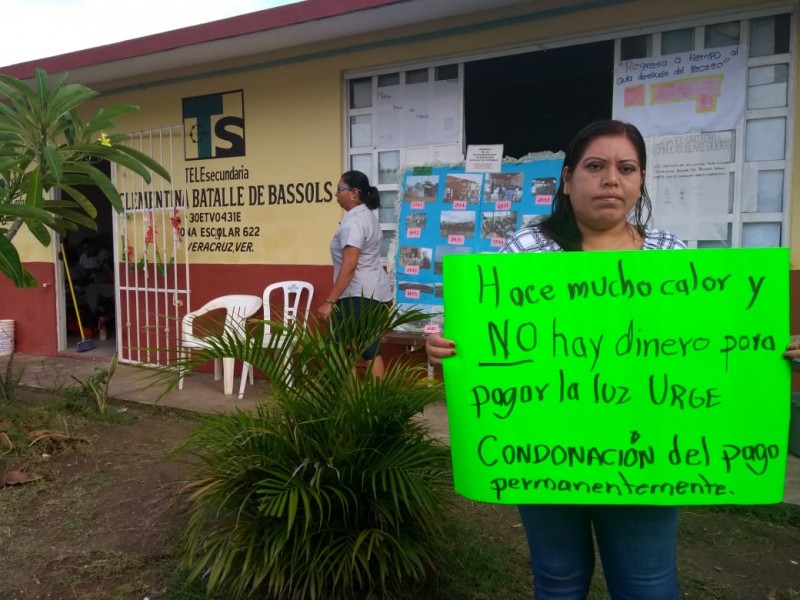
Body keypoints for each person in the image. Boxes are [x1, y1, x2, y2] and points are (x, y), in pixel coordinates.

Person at [427, 120, 687, 599]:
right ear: (567, 180)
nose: (611, 179)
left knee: (647, 586)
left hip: (644, 450)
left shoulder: (673, 256)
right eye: (595, 166)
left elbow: (710, 345)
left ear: (641, 180)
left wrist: (772, 347)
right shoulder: (526, 253)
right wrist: (443, 346)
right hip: (546, 451)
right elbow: (477, 335)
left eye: (626, 168)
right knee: (559, 581)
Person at [318, 170, 393, 378]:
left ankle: (350, 402)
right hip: (374, 293)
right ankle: (375, 403)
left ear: (354, 193)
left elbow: (350, 265)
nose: (336, 194)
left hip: (357, 295)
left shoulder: (354, 222)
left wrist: (330, 302)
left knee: (339, 351)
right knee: (370, 350)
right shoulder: (367, 217)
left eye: (340, 189)